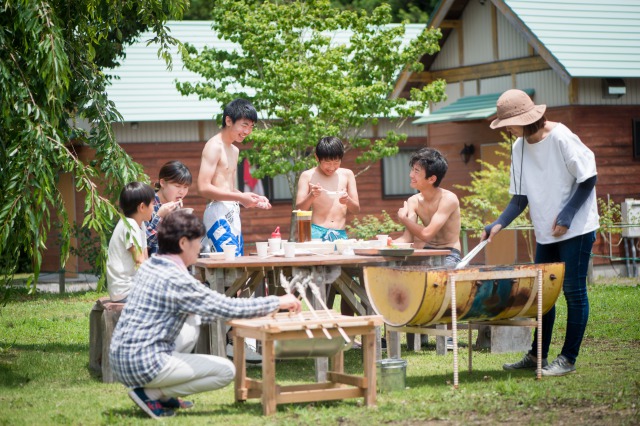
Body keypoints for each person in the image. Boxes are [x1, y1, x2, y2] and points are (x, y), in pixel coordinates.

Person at [110, 210, 301, 419]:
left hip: (121, 357)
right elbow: (228, 308)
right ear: (183, 243)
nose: (200, 247)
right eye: (198, 241)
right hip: (142, 363)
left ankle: (157, 390)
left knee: (193, 320)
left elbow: (210, 310)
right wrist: (278, 301)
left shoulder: (151, 266)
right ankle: (152, 393)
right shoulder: (177, 279)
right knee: (226, 371)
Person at [482, 89, 598, 377]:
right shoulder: (518, 148)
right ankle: (537, 355)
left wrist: (568, 214)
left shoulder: (561, 137)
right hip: (546, 231)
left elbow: (588, 177)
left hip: (577, 229)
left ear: (525, 118)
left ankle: (567, 359)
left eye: (509, 123)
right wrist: (498, 223)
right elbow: (519, 198)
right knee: (542, 296)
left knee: (573, 292)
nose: (507, 129)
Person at [197, 98, 271, 256]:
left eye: (251, 126)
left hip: (233, 211)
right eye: (244, 125)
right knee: (227, 267)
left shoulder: (234, 150)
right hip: (217, 213)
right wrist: (241, 198)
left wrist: (251, 198)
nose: (247, 131)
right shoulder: (214, 146)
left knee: (236, 264)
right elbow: (203, 187)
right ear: (229, 120)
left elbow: (227, 188)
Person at [393, 147, 462, 267]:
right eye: (412, 170)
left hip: (450, 254)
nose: (411, 175)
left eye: (416, 171)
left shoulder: (448, 199)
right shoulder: (413, 201)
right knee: (395, 268)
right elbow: (407, 239)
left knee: (438, 274)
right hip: (428, 251)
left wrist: (404, 219)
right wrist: (382, 244)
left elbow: (427, 234)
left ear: (431, 179)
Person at [296, 136, 360, 241]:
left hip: (341, 233)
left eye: (336, 162)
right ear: (317, 157)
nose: (331, 167)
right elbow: (299, 209)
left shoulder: (347, 174)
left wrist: (347, 200)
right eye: (327, 162)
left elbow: (356, 210)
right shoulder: (307, 176)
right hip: (317, 232)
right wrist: (312, 196)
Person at [106, 182, 155, 302]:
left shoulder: (140, 225)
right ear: (142, 207)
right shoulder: (129, 225)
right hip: (125, 292)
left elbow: (145, 259)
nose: (154, 208)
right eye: (153, 204)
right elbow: (139, 260)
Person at [146, 160, 193, 256]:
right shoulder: (147, 205)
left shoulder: (176, 207)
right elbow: (143, 244)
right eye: (177, 186)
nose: (182, 191)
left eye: (186, 187)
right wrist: (159, 216)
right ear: (162, 183)